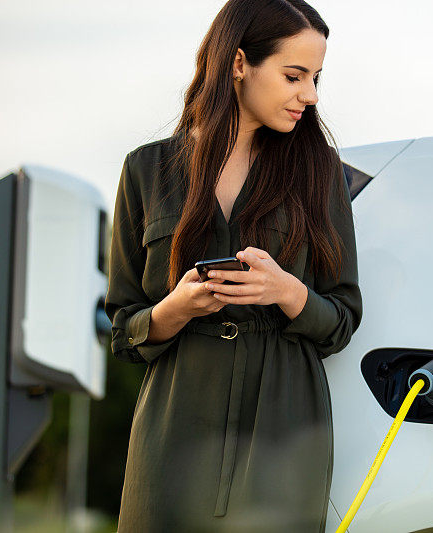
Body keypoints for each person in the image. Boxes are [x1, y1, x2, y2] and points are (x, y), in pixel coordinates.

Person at [104, 0, 363, 530]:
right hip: (176, 421)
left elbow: (343, 318)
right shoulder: (146, 170)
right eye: (294, 76)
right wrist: (175, 308)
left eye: (315, 78)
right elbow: (122, 328)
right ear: (239, 63)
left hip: (284, 428)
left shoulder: (321, 173)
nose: (309, 96)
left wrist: (286, 291)